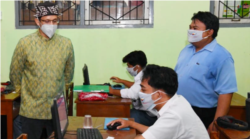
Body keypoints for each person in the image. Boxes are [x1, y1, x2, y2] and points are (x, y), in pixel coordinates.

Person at [10, 2, 75, 139]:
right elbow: (15, 72)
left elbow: (68, 74)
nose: (51, 24)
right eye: (46, 21)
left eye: (54, 20)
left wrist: (59, 87)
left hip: (57, 110)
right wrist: (25, 94)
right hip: (32, 109)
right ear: (37, 21)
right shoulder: (25, 43)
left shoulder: (66, 44)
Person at [175, 11, 237, 134]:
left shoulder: (221, 56)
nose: (191, 31)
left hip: (202, 113)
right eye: (190, 27)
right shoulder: (186, 50)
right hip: (180, 108)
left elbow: (226, 92)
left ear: (209, 32)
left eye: (195, 28)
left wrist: (216, 122)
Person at [108, 65, 209, 139]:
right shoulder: (177, 100)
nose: (140, 93)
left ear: (159, 94)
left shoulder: (173, 115)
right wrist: (130, 123)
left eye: (143, 90)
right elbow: (155, 132)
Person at [109, 51, 157, 126]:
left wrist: (111, 91)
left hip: (151, 116)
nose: (128, 68)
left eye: (129, 65)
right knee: (125, 113)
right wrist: (122, 81)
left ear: (137, 67)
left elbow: (132, 94)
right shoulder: (145, 73)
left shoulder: (144, 77)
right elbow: (136, 86)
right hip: (147, 112)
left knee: (126, 114)